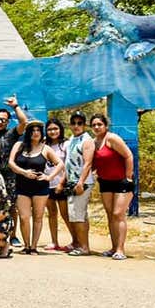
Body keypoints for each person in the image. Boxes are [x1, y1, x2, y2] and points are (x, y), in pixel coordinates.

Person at [8, 120, 65, 255]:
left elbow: (60, 164)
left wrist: (49, 177)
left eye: (38, 130)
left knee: (38, 217)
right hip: (22, 186)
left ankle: (33, 247)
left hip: (40, 187)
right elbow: (11, 163)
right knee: (24, 217)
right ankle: (26, 245)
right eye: (32, 130)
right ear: (28, 133)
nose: (35, 133)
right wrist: (24, 172)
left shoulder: (46, 148)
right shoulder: (19, 145)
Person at [91, 113, 135, 261]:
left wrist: (128, 177)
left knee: (118, 214)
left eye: (99, 124)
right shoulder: (94, 142)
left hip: (122, 182)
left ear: (106, 126)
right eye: (94, 125)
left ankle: (121, 249)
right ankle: (114, 247)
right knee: (110, 215)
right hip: (105, 182)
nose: (97, 127)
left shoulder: (112, 139)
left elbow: (128, 156)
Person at [0, 97, 29, 247]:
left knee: (12, 207)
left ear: (7, 122)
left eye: (3, 120)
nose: (0, 122)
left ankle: (13, 235)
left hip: (9, 176)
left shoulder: (12, 134)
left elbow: (24, 123)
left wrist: (16, 107)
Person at [65, 110, 95, 256]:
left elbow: (88, 163)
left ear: (84, 125)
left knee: (78, 214)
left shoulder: (87, 140)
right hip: (71, 181)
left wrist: (81, 182)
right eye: (74, 123)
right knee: (77, 214)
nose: (76, 126)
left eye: (80, 123)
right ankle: (78, 243)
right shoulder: (71, 139)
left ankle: (84, 247)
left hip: (82, 182)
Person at [44, 118, 71, 251]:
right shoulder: (44, 145)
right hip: (47, 184)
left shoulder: (66, 144)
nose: (52, 131)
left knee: (65, 214)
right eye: (49, 129)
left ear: (60, 129)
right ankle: (54, 242)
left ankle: (75, 240)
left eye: (55, 129)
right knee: (52, 213)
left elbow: (68, 166)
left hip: (61, 184)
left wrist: (62, 182)